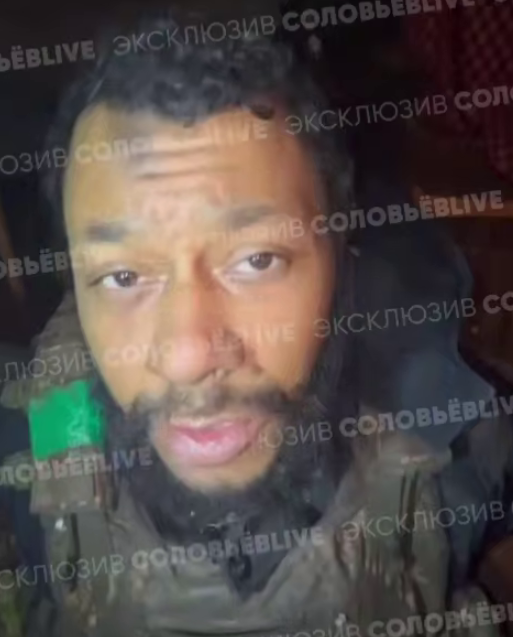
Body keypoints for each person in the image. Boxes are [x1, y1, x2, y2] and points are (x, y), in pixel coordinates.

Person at [7, 14, 513, 637]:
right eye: (123, 275)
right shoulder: (26, 458)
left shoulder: (460, 448)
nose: (189, 355)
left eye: (257, 261)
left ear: (340, 255)